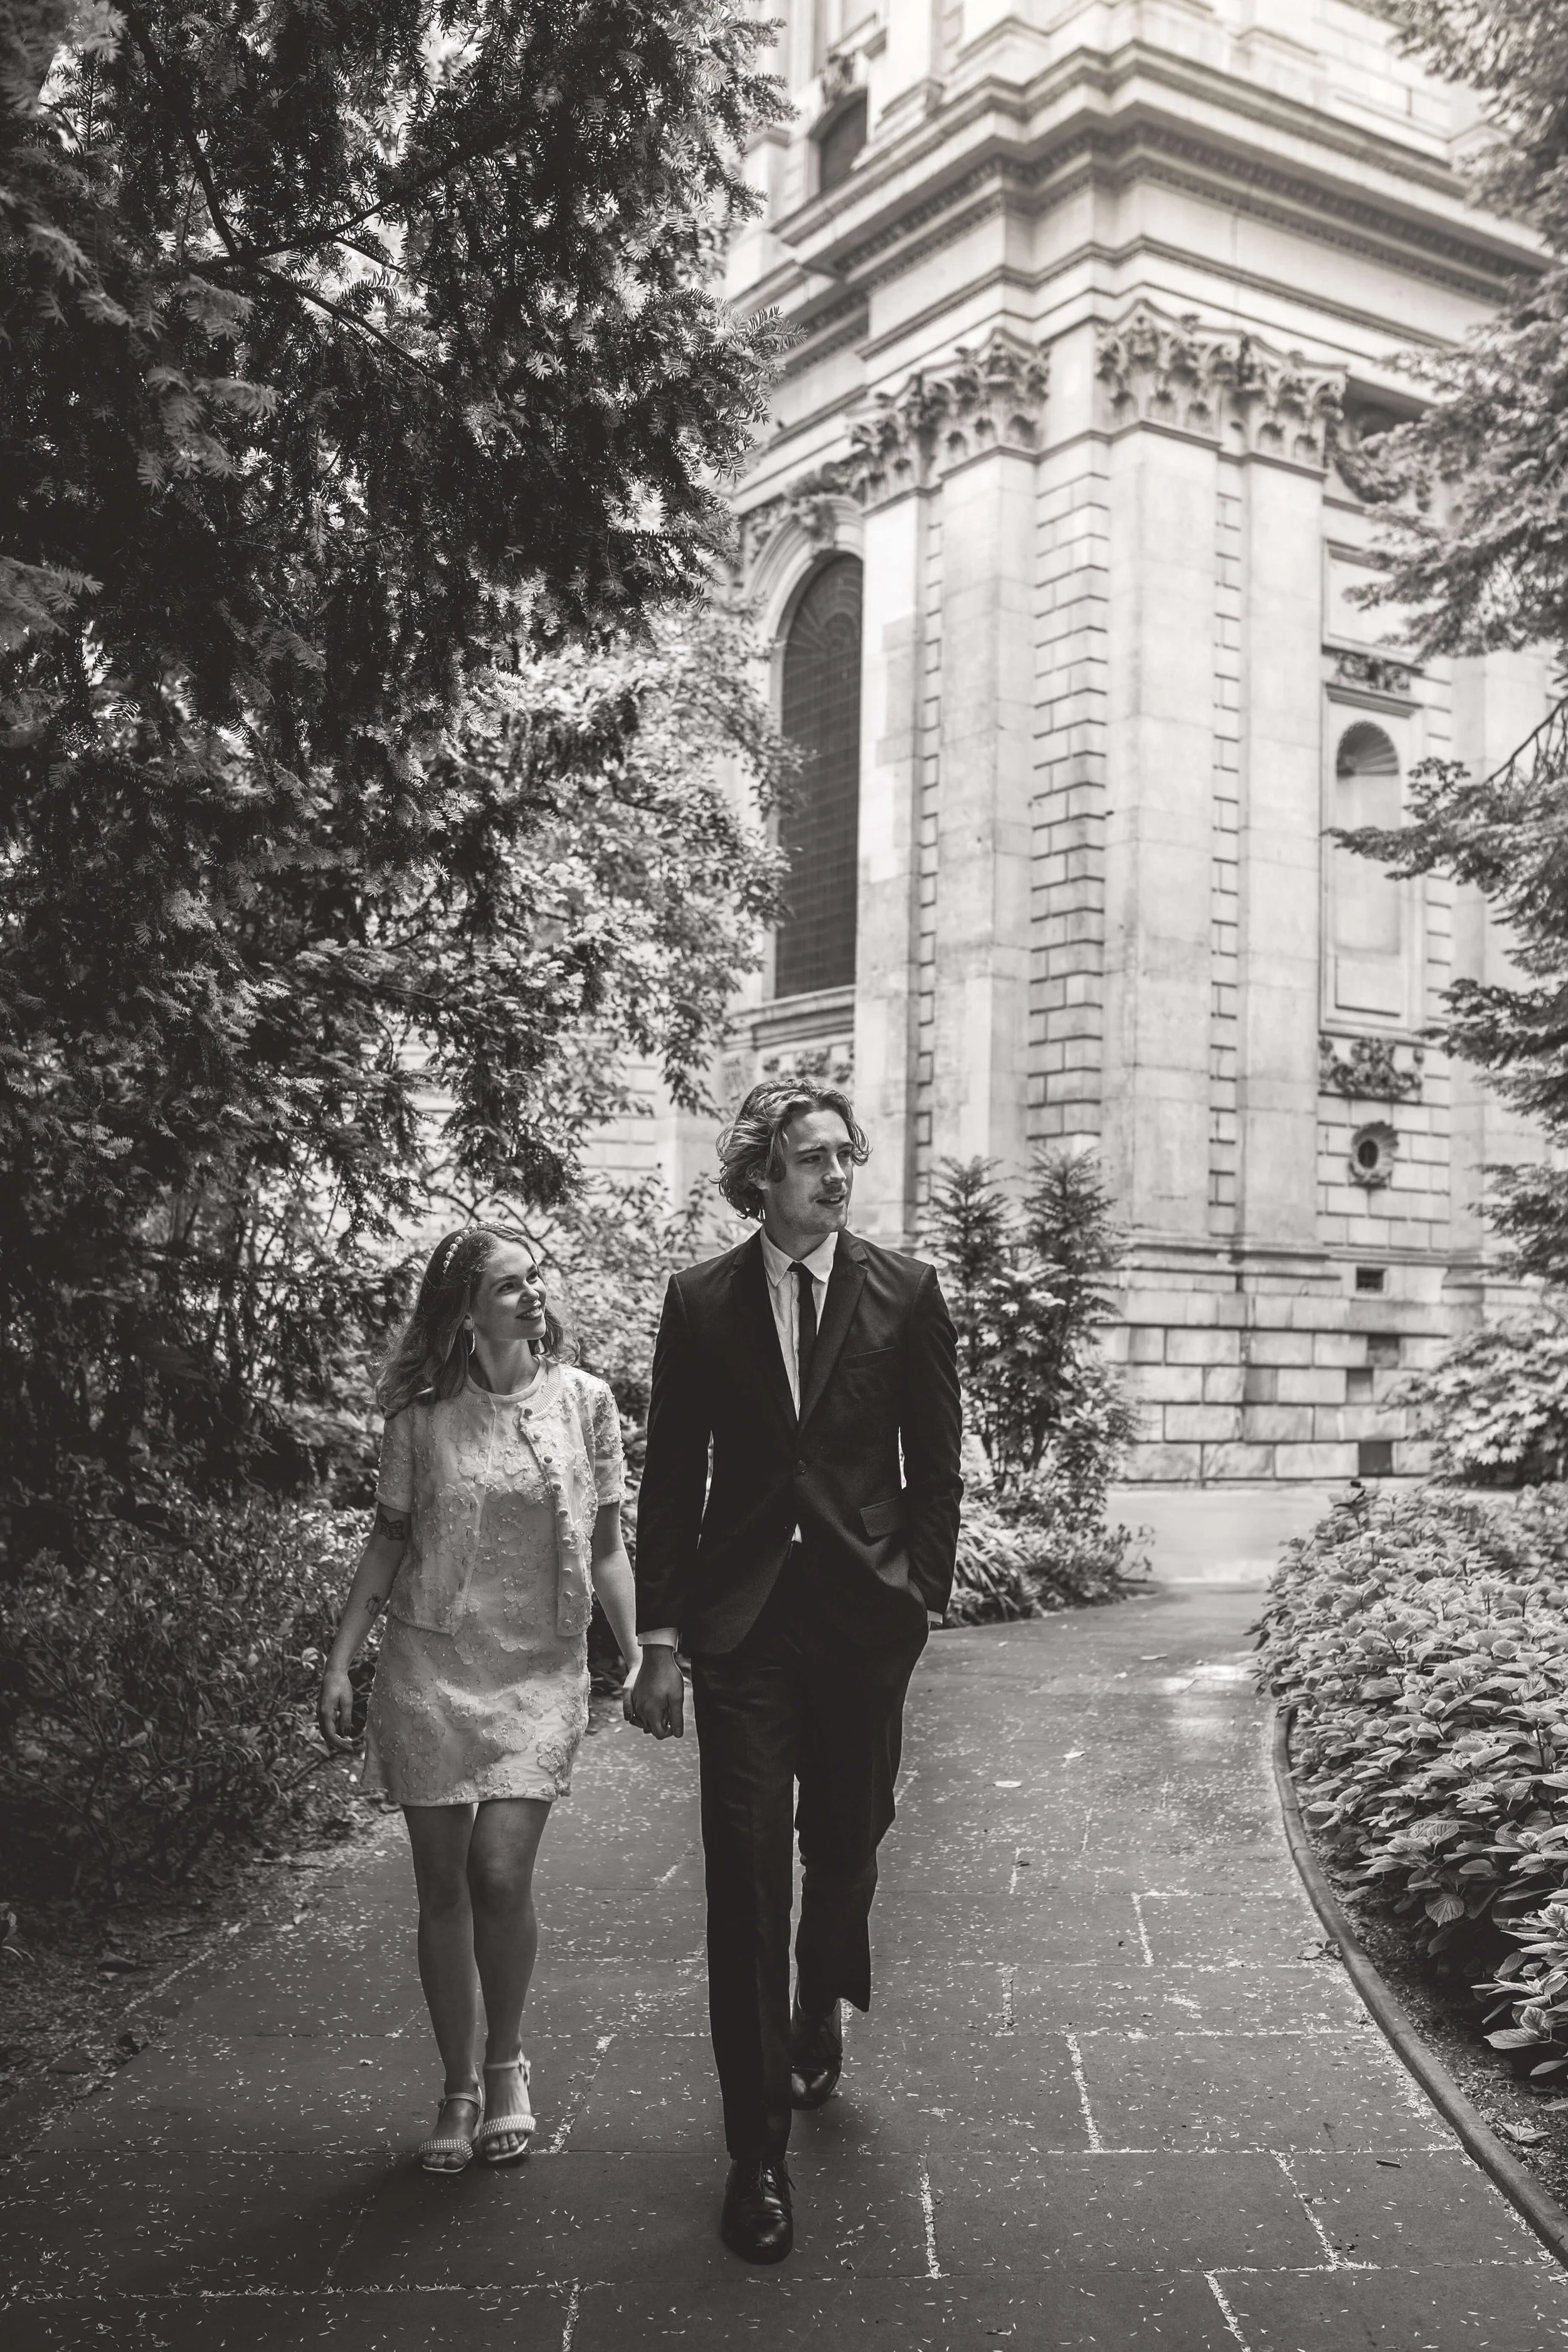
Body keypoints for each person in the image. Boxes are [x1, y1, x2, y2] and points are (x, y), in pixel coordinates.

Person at [626, 1079, 963, 2262]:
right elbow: (673, 1475)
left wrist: (921, 1596)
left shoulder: (906, 1291)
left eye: (845, 1154)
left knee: (849, 1846)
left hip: (865, 1623)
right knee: (745, 1878)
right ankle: (756, 2154)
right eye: (813, 1156)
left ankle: (822, 1988)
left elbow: (935, 1461)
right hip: (747, 1631)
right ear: (761, 1174)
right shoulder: (702, 1299)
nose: (837, 1173)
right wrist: (660, 1639)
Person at [319, 1226, 638, 2173]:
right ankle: (458, 2085)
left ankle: (506, 2062)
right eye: (508, 1286)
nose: (533, 1294)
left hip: (539, 1668)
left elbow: (610, 1547)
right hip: (430, 1664)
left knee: (500, 1871)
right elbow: (387, 1542)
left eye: (535, 1277)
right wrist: (341, 1661)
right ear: (464, 1311)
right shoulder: (420, 1417)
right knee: (443, 1884)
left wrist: (645, 1652)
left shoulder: (586, 1402)